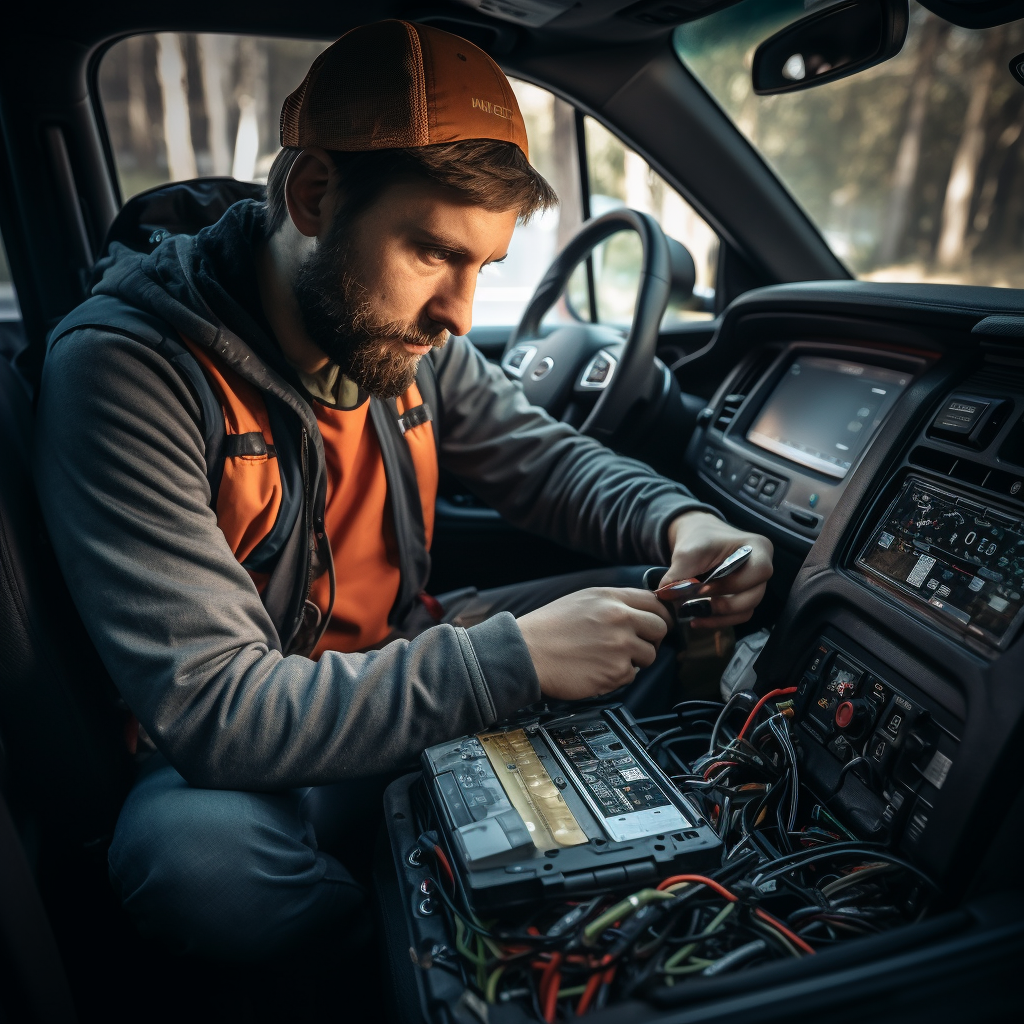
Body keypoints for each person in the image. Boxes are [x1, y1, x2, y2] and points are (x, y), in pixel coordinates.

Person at [34, 19, 772, 961]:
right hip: (254, 757)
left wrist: (685, 518)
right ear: (311, 195)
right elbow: (221, 710)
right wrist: (508, 662)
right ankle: (420, 945)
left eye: (484, 268)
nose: (460, 314)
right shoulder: (130, 371)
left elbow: (540, 460)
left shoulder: (400, 343)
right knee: (200, 866)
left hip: (412, 651)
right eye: (433, 252)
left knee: (681, 607)